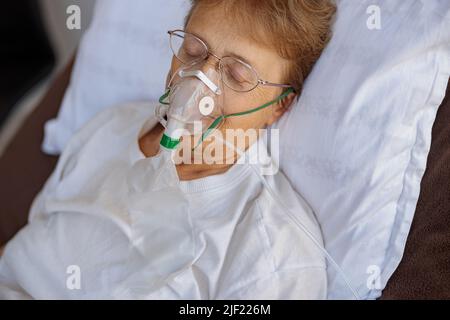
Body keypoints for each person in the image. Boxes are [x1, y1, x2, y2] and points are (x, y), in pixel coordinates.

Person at [0, 0, 336, 299]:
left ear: (280, 106)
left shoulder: (271, 250)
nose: (201, 79)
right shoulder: (111, 128)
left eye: (236, 74)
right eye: (193, 50)